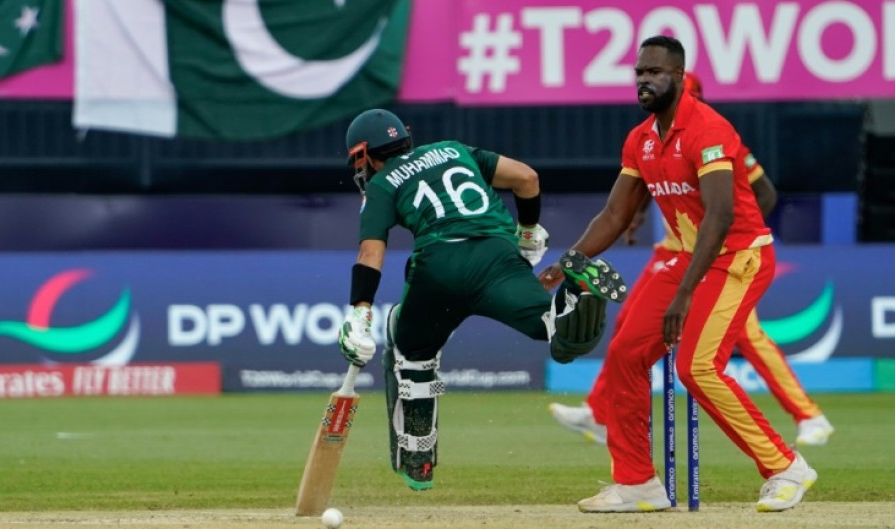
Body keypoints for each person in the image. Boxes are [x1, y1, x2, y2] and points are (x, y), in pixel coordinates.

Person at [539, 36, 817, 513]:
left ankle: (785, 466)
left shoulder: (708, 128)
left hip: (739, 258)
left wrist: (684, 295)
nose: (645, 80)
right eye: (639, 73)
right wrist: (571, 260)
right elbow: (613, 214)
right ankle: (638, 484)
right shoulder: (640, 138)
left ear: (681, 77)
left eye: (656, 72)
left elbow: (721, 215)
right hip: (691, 258)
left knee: (697, 367)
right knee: (627, 352)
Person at [336, 108, 626, 492]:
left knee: (412, 349)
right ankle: (574, 295)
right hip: (497, 255)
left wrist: (360, 313)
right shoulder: (454, 150)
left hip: (439, 266)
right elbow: (527, 178)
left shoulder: (383, 183)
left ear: (366, 154)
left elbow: (370, 255)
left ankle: (419, 458)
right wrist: (527, 230)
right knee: (553, 330)